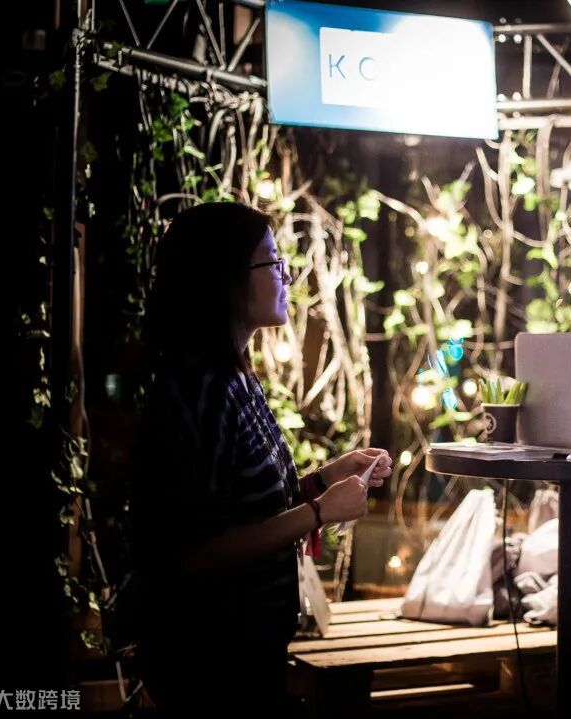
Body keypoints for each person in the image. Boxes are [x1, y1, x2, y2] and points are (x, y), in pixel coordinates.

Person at [130, 202, 391, 715]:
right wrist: (318, 512)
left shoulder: (237, 378)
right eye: (272, 262)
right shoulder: (196, 389)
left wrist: (322, 481)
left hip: (253, 649)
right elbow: (198, 551)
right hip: (208, 659)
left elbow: (247, 508)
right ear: (227, 278)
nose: (286, 276)